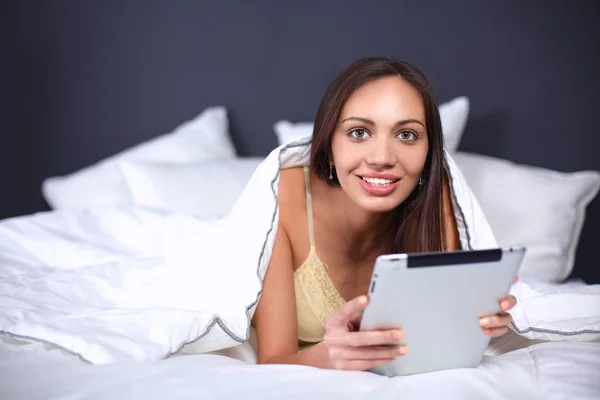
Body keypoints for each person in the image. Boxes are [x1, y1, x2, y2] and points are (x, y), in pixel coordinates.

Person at [252, 57, 517, 371]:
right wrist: (332, 355)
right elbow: (272, 362)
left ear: (428, 154)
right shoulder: (283, 196)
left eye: (406, 135)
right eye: (359, 132)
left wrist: (478, 322)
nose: (381, 158)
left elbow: (439, 336)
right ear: (329, 147)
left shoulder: (439, 201)